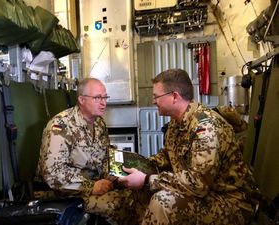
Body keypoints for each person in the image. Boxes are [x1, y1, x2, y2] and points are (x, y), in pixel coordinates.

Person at [119, 69, 259, 225]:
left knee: (163, 201)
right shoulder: (176, 122)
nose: (153, 101)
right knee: (141, 192)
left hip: (230, 202)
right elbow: (166, 157)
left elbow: (198, 183)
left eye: (156, 96)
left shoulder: (206, 128)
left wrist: (147, 179)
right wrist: (137, 166)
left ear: (174, 97)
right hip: (204, 194)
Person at [36, 77, 135, 225]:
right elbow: (53, 173)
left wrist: (119, 173)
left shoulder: (98, 123)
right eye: (97, 98)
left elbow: (106, 156)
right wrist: (92, 186)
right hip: (63, 193)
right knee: (116, 203)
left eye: (105, 97)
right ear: (82, 100)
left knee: (136, 192)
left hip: (93, 182)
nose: (103, 102)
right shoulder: (61, 126)